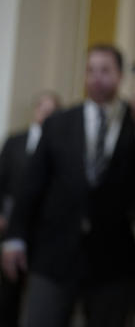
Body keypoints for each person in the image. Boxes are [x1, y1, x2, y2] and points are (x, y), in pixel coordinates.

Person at [1, 45, 135, 327]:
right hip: (53, 256)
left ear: (119, 75)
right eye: (90, 70)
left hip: (114, 261)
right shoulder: (58, 123)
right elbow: (32, 185)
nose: (96, 77)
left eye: (105, 70)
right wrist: (14, 238)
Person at [0, 91, 60, 324]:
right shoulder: (15, 141)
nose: (44, 112)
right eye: (41, 107)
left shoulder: (61, 145)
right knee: (8, 289)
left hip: (45, 230)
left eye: (50, 109)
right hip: (12, 224)